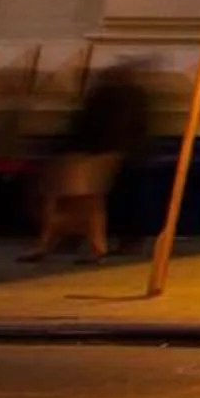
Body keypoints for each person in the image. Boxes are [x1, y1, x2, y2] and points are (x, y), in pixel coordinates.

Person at [26, 59, 152, 264]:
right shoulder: (134, 97)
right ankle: (87, 245)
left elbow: (88, 126)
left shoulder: (106, 97)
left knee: (69, 200)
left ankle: (55, 243)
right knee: (88, 202)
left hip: (88, 154)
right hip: (110, 154)